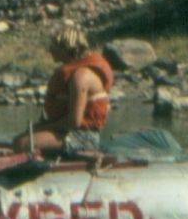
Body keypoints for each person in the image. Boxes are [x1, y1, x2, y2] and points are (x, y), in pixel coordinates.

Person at [13, 22, 113, 156]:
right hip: (65, 130)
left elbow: (74, 122)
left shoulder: (81, 77)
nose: (50, 50)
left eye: (53, 46)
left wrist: (44, 127)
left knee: (22, 143)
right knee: (21, 139)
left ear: (65, 48)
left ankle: (41, 167)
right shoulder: (74, 72)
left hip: (82, 137)